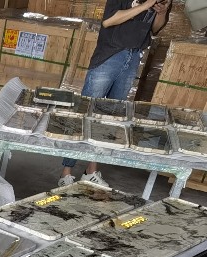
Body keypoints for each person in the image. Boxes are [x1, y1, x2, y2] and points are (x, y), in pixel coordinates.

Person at [59, 0, 171, 186]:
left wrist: (162, 12)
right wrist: (145, 5)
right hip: (110, 55)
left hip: (133, 57)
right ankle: (66, 173)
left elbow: (153, 29)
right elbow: (109, 20)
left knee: (110, 117)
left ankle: (91, 170)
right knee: (85, 112)